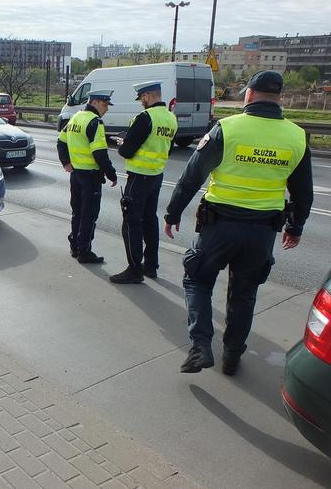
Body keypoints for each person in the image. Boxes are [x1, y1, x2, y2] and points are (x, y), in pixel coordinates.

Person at [164, 70, 313, 375]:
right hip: (262, 232)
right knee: (244, 294)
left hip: (219, 227)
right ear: (280, 97)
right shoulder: (296, 136)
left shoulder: (227, 129)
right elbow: (303, 193)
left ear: (248, 94)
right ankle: (232, 356)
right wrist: (295, 227)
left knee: (197, 279)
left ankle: (201, 346)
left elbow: (193, 176)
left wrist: (172, 213)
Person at [110, 81, 178, 283]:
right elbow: (168, 148)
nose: (141, 102)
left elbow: (127, 151)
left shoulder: (145, 118)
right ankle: (150, 265)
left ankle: (134, 270)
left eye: (141, 98)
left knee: (131, 223)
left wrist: (123, 143)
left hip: (138, 176)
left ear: (147, 96)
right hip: (156, 175)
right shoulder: (170, 118)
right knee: (150, 220)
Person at [57, 89, 118, 264]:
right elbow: (99, 153)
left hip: (76, 175)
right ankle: (84, 252)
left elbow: (61, 141)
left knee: (77, 213)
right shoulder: (95, 122)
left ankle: (75, 246)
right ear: (96, 102)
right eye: (105, 105)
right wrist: (112, 174)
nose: (106, 109)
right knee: (89, 215)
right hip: (90, 177)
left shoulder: (76, 118)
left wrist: (65, 162)